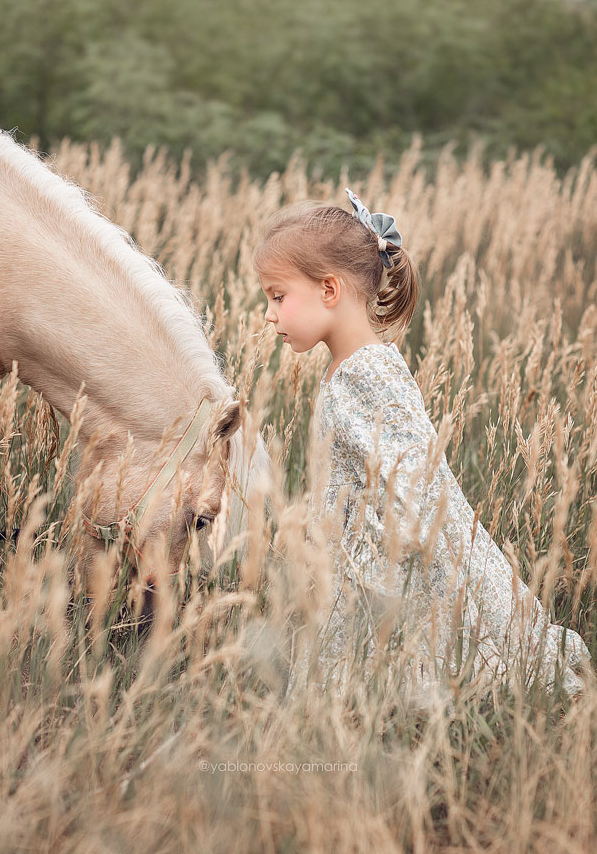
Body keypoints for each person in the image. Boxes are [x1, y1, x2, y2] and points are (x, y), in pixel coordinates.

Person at [253, 189, 590, 698]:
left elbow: (413, 486)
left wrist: (372, 569)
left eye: (278, 296)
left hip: (388, 571)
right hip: (358, 568)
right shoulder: (355, 366)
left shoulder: (365, 373)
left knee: (407, 678)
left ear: (329, 289)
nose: (269, 314)